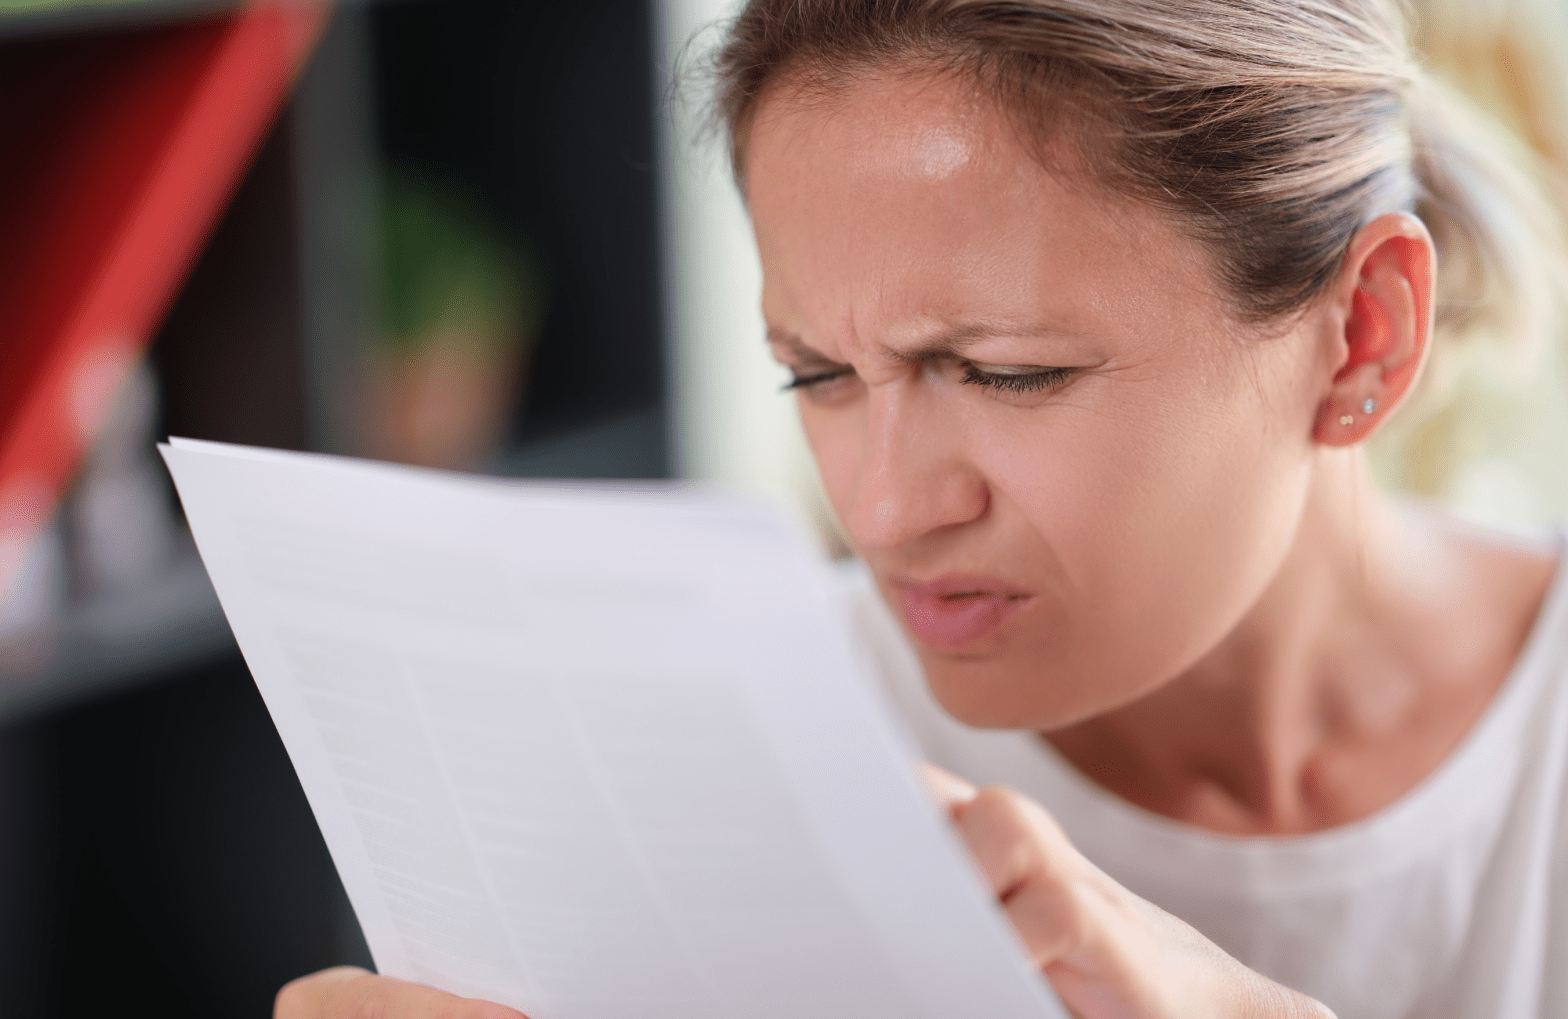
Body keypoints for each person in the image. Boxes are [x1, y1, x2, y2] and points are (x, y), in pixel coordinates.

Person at [275, 1, 1568, 1016]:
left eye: (1008, 372)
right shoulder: (735, 748)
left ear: (1362, 335)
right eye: (817, 374)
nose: (882, 511)